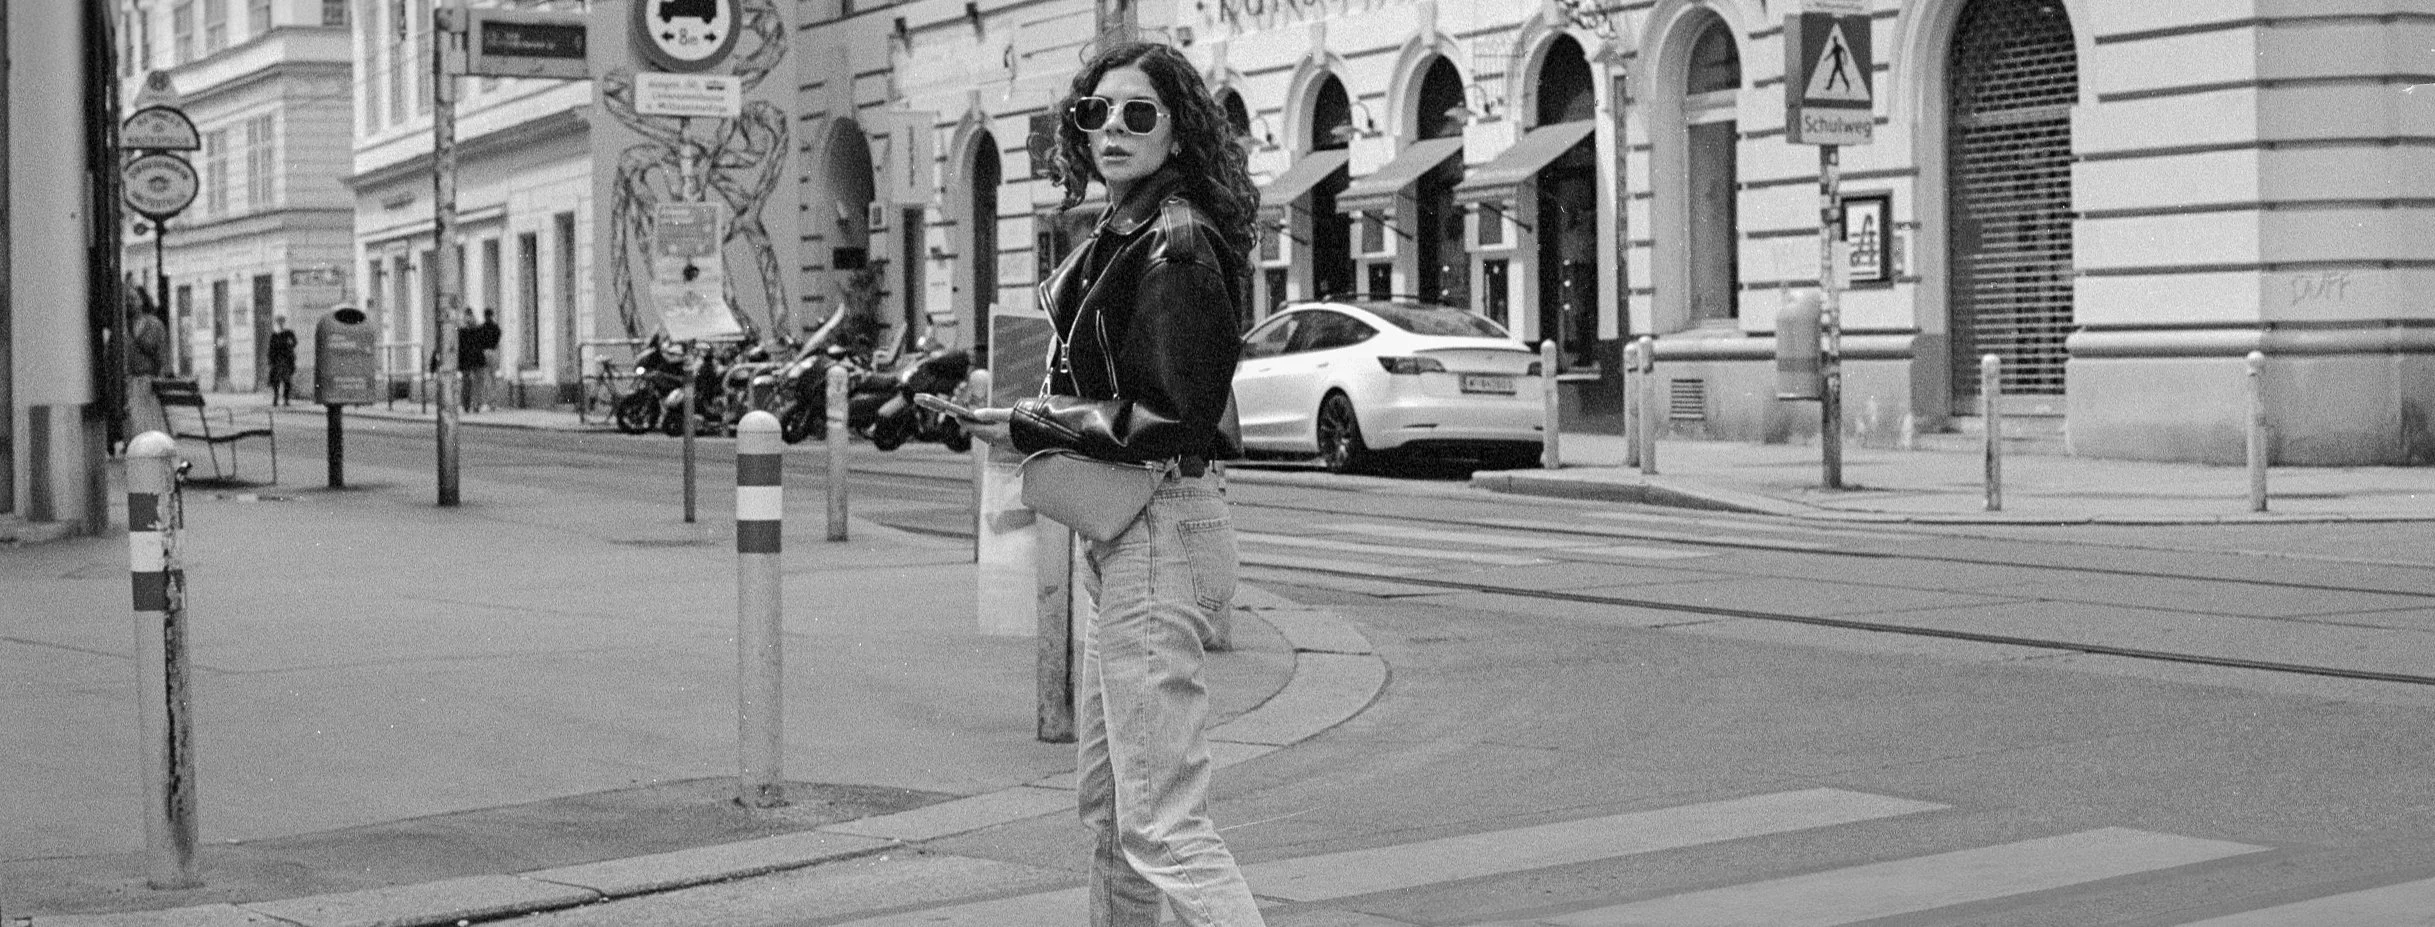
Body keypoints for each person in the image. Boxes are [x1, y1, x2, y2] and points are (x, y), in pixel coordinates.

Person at [962, 41, 1264, 927]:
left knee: (1162, 824)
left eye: (1139, 113)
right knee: (1113, 812)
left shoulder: (1174, 242)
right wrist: (1024, 413)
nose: (1112, 129)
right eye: (1096, 112)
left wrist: (1031, 424)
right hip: (1131, 531)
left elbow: (1170, 414)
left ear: (1177, 132)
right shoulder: (1123, 231)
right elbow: (1117, 386)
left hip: (1158, 529)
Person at [124, 291, 170, 439]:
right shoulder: (123, 326)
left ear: (142, 301)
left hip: (148, 382)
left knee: (147, 425)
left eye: (133, 298)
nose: (130, 302)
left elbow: (161, 356)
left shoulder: (154, 325)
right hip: (132, 383)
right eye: (127, 299)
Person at [266, 315, 298, 406]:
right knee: (276, 380)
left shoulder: (288, 333)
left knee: (287, 380)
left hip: (286, 360)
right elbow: (271, 348)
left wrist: (290, 343)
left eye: (282, 322)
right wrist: (270, 360)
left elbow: (294, 342)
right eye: (279, 322)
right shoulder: (275, 335)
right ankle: (276, 397)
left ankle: (286, 399)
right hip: (277, 361)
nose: (280, 324)